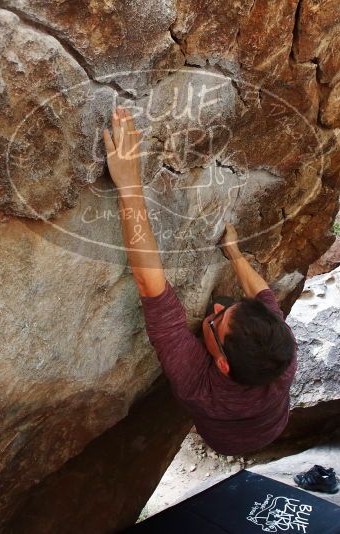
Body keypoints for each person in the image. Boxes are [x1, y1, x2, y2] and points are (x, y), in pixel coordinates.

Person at [102, 105, 298, 455]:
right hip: (274, 420)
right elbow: (262, 293)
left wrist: (129, 184)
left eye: (218, 321)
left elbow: (151, 285)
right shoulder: (281, 351)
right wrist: (235, 254)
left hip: (223, 437)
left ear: (221, 364)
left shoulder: (196, 385)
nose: (217, 309)